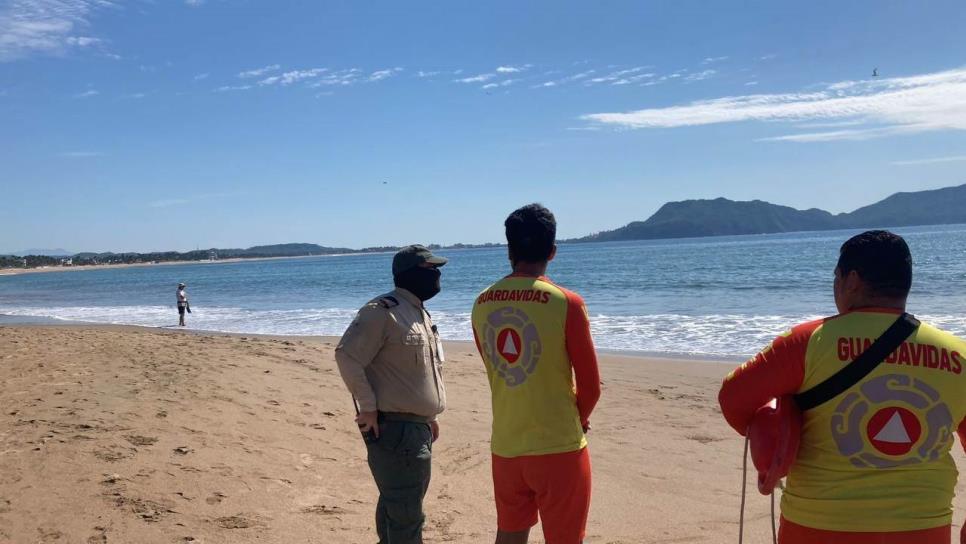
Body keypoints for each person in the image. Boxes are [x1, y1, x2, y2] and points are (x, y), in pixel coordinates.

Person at [718, 230, 966, 544]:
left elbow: (733, 398)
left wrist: (775, 441)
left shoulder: (807, 343)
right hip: (925, 528)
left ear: (851, 280)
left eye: (835, 278)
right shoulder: (959, 355)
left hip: (815, 527)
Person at [470, 203, 601, 544]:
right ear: (553, 251)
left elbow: (496, 368)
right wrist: (580, 418)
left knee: (509, 537)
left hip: (507, 445)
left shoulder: (482, 303)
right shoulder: (566, 303)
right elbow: (591, 386)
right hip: (558, 445)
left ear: (509, 251)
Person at [335, 244, 448, 544]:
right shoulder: (382, 312)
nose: (438, 274)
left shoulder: (418, 312)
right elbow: (347, 356)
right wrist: (368, 408)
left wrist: (429, 416)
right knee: (407, 514)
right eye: (430, 268)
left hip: (415, 427)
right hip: (394, 429)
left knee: (396, 504)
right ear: (410, 273)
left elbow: (420, 373)